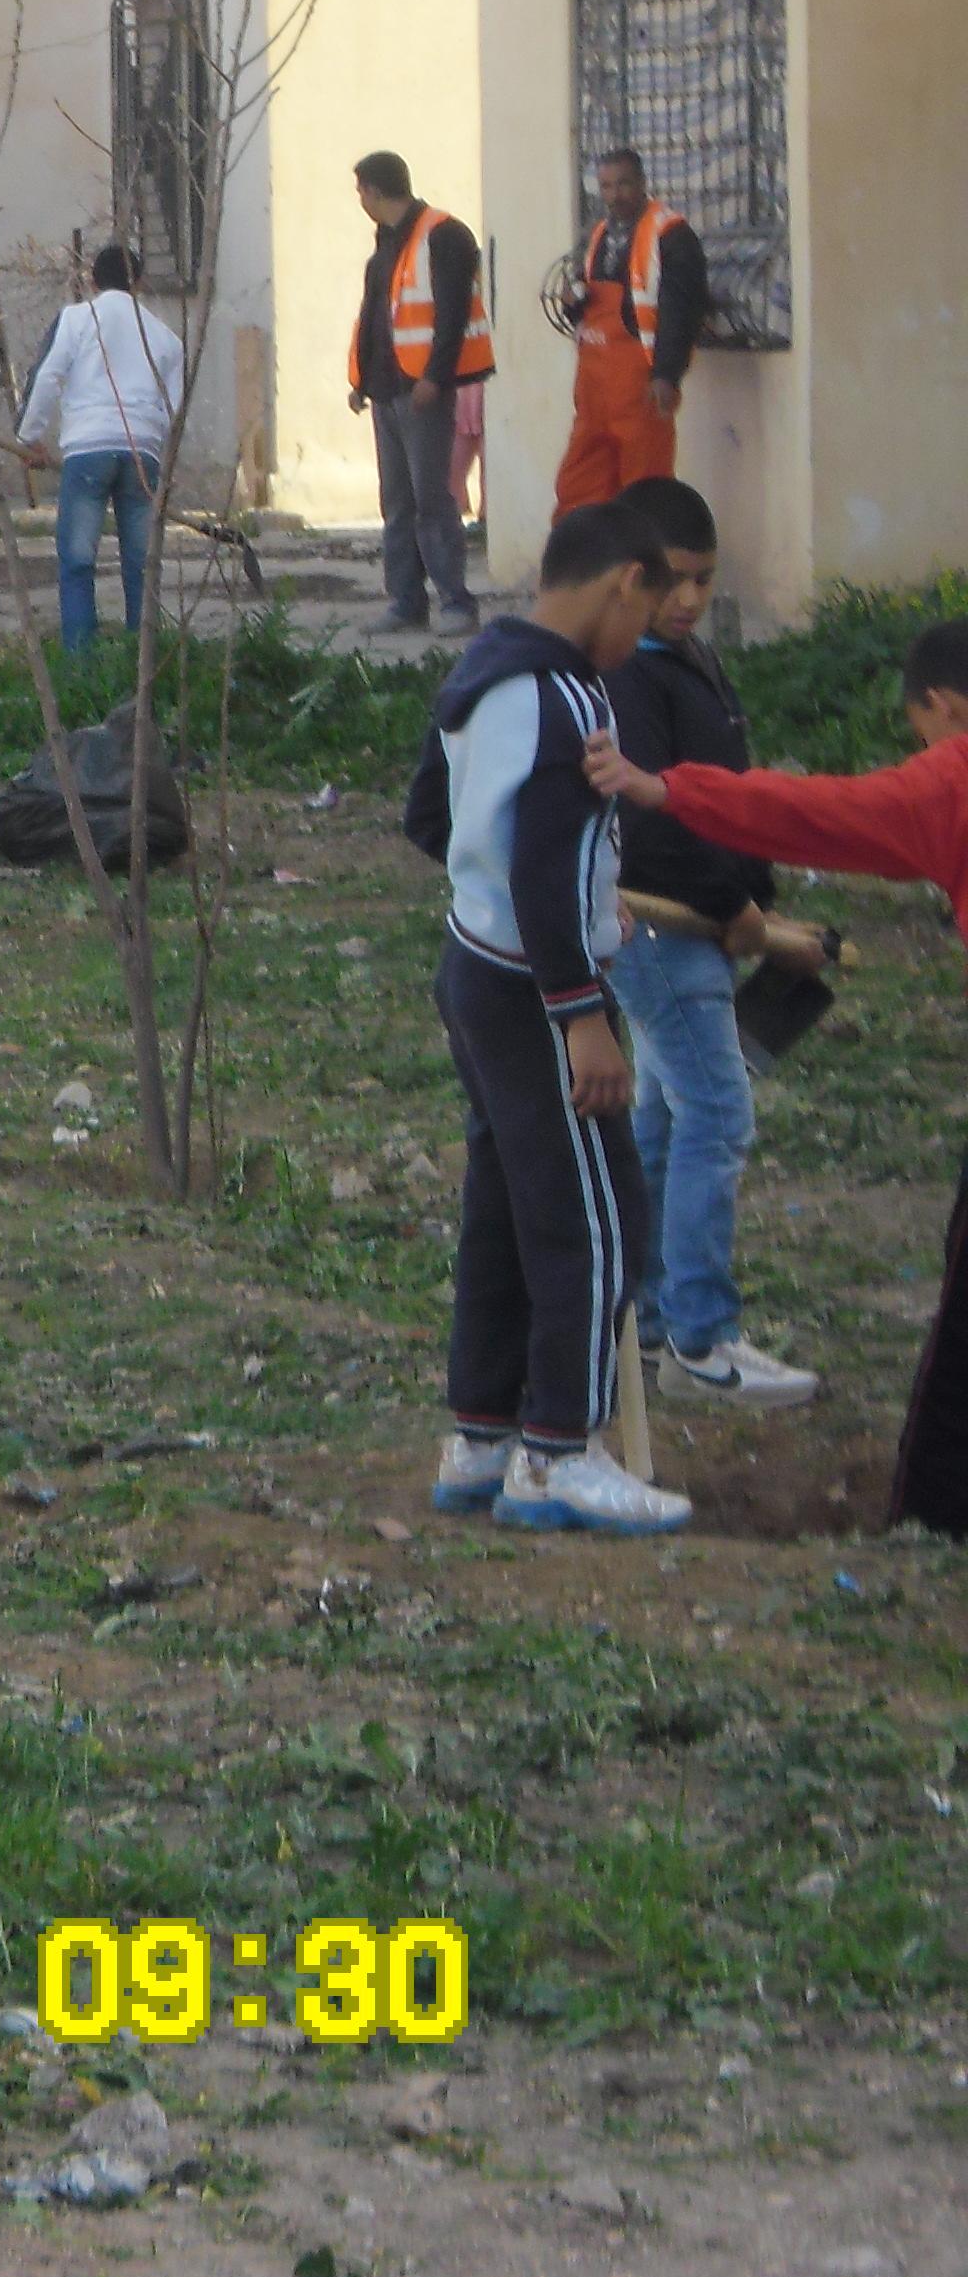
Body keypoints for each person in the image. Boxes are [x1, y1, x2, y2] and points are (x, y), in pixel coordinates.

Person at [591, 618, 968, 1536]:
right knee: (676, 1110)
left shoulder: (954, 779)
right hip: (679, 941)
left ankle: (938, 1506)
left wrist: (668, 789)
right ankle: (657, 1312)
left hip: (684, 929)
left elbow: (816, 812)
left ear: (944, 706)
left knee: (702, 1109)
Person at [402, 498, 682, 1536]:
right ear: (622, 586)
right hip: (535, 990)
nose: (638, 638)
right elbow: (544, 862)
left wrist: (485, 897)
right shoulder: (568, 700)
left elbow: (426, 815)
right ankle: (559, 1451)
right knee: (596, 1212)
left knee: (505, 1206)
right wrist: (579, 1014)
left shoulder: (480, 672)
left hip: (471, 968)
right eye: (646, 610)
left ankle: (479, 1435)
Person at [593, 476, 818, 1409]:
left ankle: (640, 1319)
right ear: (634, 574)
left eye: (705, 580)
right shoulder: (632, 675)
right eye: (674, 580)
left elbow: (722, 794)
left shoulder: (689, 660)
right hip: (665, 928)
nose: (688, 600)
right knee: (717, 1114)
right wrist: (740, 914)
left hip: (703, 926)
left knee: (663, 1118)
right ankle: (701, 1337)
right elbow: (658, 824)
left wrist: (752, 899)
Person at [346, 150, 492, 637]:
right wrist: (361, 381)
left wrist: (435, 376)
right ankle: (406, 601)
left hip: (422, 391)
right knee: (397, 503)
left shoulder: (443, 236)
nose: (360, 201)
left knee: (433, 498)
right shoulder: (384, 249)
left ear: (374, 190)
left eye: (361, 191)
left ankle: (456, 601)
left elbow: (451, 314)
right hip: (388, 392)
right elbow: (374, 319)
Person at [17, 243, 185, 651]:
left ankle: (80, 663)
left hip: (88, 449)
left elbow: (49, 376)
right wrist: (152, 438)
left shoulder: (76, 319)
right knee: (141, 566)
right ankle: (142, 655)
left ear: (91, 280)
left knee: (77, 561)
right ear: (140, 283)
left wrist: (29, 438)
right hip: (142, 453)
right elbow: (174, 406)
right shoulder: (164, 336)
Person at [552, 149, 706, 512]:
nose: (614, 195)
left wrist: (667, 375)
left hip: (641, 390)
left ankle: (645, 566)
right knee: (579, 487)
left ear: (642, 184)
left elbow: (681, 311)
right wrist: (574, 300)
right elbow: (590, 306)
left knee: (644, 491)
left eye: (623, 184)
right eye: (606, 186)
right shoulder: (601, 234)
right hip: (593, 394)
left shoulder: (671, 235)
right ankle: (585, 565)